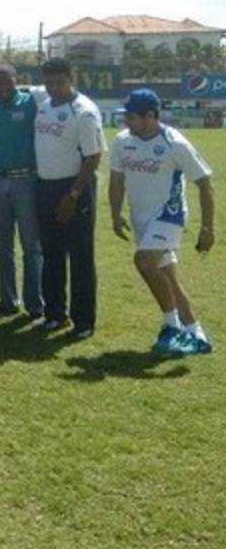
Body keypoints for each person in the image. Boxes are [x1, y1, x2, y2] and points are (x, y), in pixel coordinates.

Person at [108, 88, 215, 354]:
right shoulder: (122, 141)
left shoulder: (174, 143)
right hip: (141, 219)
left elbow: (204, 184)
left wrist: (207, 228)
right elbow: (116, 180)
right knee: (168, 278)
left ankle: (172, 327)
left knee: (143, 262)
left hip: (170, 215)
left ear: (150, 116)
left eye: (130, 117)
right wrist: (115, 214)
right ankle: (197, 336)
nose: (125, 122)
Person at [33, 58, 104, 338]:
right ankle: (54, 314)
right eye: (49, 83)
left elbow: (94, 156)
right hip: (45, 187)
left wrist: (73, 194)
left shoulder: (83, 111)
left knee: (80, 256)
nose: (54, 88)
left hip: (74, 188)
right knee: (51, 254)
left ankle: (83, 322)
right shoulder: (45, 105)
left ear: (71, 78)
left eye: (59, 82)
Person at [0, 65, 44, 322]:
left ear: (16, 80)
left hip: (26, 179)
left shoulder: (30, 103)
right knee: (1, 245)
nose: (2, 87)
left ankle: (35, 303)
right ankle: (8, 300)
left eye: (7, 81)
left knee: (31, 245)